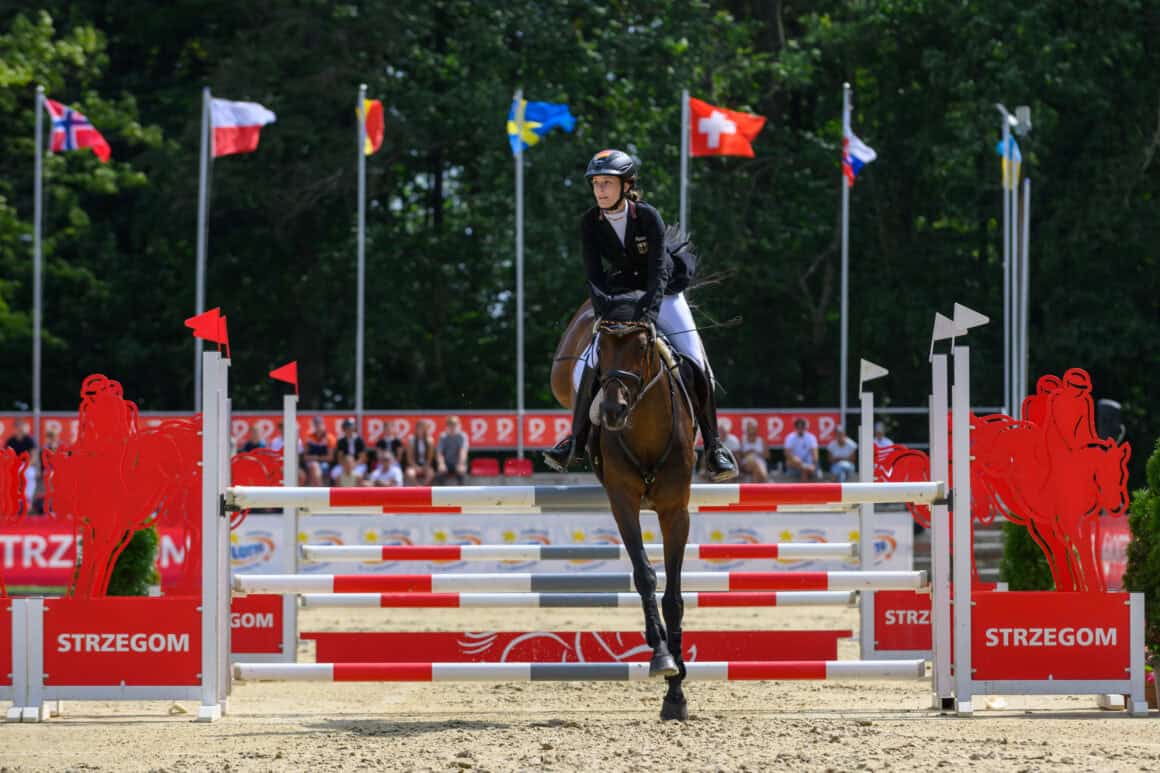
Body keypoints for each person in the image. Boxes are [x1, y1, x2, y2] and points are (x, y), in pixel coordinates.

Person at [543, 148, 736, 481]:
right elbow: (594, 275)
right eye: (596, 184)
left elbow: (659, 272)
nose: (600, 190)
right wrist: (606, 309)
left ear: (626, 184)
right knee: (592, 359)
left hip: (663, 292)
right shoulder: (590, 222)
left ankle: (715, 447)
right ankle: (574, 439)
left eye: (607, 183)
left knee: (696, 360)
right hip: (619, 294)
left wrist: (647, 310)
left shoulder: (647, 217)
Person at [435, 415, 469, 485]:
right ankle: (441, 494)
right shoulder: (443, 436)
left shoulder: (462, 436)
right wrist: (441, 464)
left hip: (458, 462)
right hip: (446, 463)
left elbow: (463, 452)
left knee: (461, 472)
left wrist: (461, 464)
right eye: (451, 425)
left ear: (459, 425)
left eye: (455, 425)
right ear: (447, 426)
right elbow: (439, 453)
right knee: (440, 473)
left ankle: (462, 494)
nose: (453, 427)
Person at [404, 419, 436, 485]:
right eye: (419, 427)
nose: (420, 430)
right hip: (414, 465)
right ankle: (418, 487)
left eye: (422, 428)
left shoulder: (430, 440)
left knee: (430, 474)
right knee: (410, 473)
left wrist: (425, 466)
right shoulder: (411, 439)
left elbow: (430, 457)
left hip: (425, 465)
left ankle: (423, 487)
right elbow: (409, 457)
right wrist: (415, 466)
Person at [738, 418, 768, 483]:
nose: (751, 431)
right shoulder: (743, 441)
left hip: (760, 461)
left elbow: (767, 455)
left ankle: (755, 489)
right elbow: (739, 456)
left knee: (756, 469)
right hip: (746, 462)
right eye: (749, 429)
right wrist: (748, 452)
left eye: (752, 428)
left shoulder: (761, 441)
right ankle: (765, 480)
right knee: (757, 466)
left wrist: (757, 452)